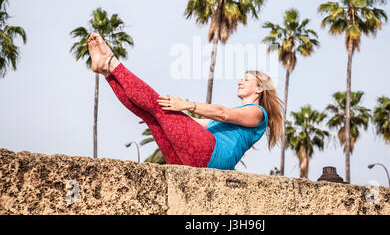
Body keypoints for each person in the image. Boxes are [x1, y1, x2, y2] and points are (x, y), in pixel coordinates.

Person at [87, 32, 285, 170]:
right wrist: (165, 119)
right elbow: (201, 123)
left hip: (214, 157)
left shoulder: (258, 113)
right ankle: (106, 72)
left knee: (159, 105)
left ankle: (111, 62)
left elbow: (222, 113)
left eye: (247, 79)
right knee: (152, 114)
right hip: (198, 159)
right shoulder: (238, 118)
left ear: (259, 88)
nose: (240, 81)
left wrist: (186, 105)